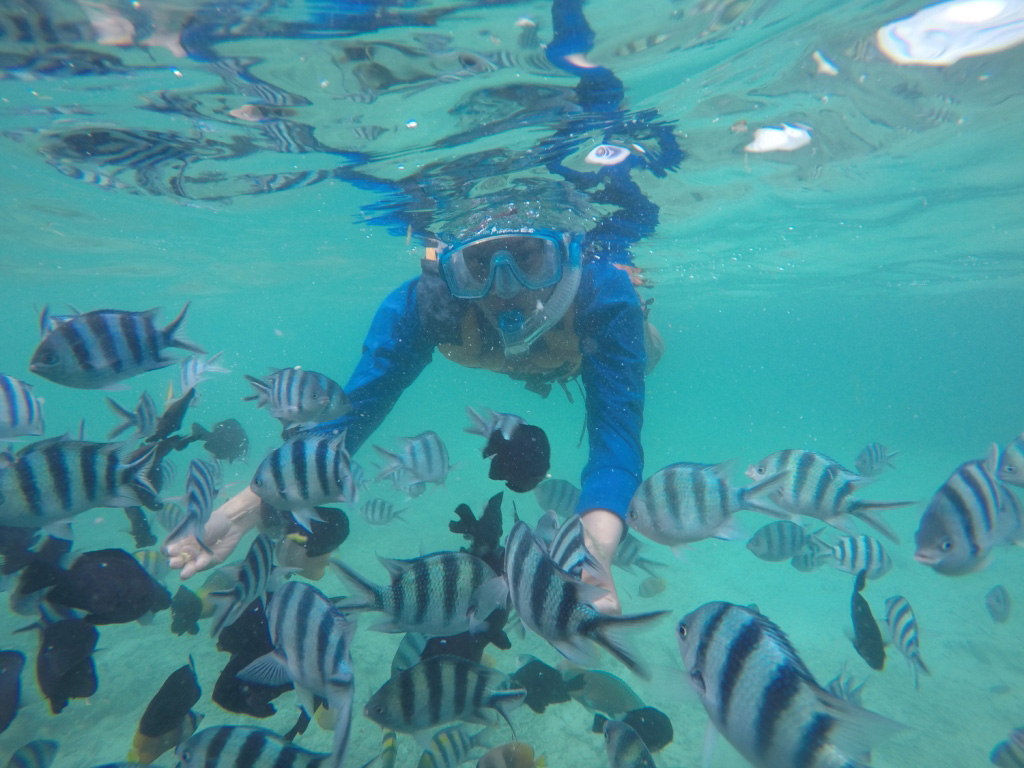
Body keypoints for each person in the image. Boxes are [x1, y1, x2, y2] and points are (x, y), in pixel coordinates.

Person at [166, 0, 682, 617]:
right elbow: (350, 416)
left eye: (528, 260)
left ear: (565, 254)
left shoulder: (601, 298)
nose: (505, 287)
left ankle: (641, 327)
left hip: (583, 349)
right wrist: (252, 502)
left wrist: (593, 553)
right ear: (444, 263)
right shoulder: (423, 308)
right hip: (539, 352)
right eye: (476, 268)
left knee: (644, 353)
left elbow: (615, 441)